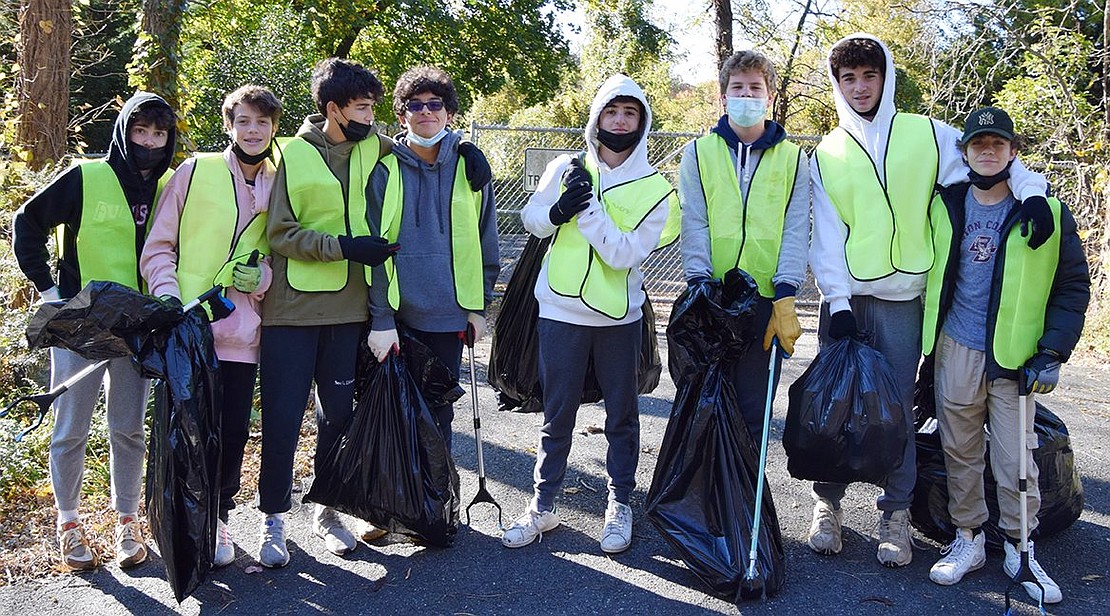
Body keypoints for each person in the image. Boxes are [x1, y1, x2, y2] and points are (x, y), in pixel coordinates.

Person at [807, 33, 1052, 567]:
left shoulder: (928, 134)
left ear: (885, 77)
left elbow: (992, 167)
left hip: (905, 300)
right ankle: (828, 505)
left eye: (869, 75)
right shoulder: (826, 153)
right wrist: (838, 300)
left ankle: (894, 513)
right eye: (849, 78)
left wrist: (1034, 196)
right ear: (837, 84)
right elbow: (825, 233)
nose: (860, 87)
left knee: (895, 408)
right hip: (847, 301)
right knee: (834, 405)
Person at [503, 74, 680, 554]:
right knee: (555, 416)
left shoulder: (656, 189)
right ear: (597, 116)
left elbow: (624, 254)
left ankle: (619, 504)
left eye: (630, 114)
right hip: (559, 312)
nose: (619, 121)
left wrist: (587, 210)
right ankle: (542, 507)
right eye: (611, 112)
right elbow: (533, 221)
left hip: (618, 321)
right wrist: (558, 209)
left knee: (622, 416)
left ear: (641, 124)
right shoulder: (565, 165)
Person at [922, 107, 1089, 603]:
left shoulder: (1046, 211)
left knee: (1017, 457)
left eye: (998, 143)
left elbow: (1071, 287)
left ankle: (1021, 546)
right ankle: (968, 539)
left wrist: (1053, 350)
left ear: (1013, 152)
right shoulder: (944, 205)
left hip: (1015, 356)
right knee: (959, 449)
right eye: (978, 144)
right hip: (956, 346)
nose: (988, 151)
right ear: (966, 153)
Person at [13, 92, 177, 570]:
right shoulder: (86, 176)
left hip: (138, 322)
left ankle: (127, 522)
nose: (148, 142)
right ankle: (68, 524)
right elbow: (27, 222)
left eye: (159, 134)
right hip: (80, 320)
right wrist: (48, 290)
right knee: (70, 427)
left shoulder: (171, 185)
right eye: (140, 131)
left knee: (128, 428)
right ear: (124, 130)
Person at [257, 58, 397, 568]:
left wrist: (466, 152)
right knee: (283, 419)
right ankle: (273, 520)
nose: (371, 116)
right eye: (363, 107)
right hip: (291, 312)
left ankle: (327, 511)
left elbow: (425, 149)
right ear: (333, 109)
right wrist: (342, 246)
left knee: (338, 418)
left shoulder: (374, 145)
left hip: (347, 312)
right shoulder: (290, 153)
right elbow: (280, 234)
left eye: (374, 108)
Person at [140, 85, 282, 568]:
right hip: (189, 331)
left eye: (262, 122)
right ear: (228, 125)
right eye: (243, 120)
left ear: (273, 128)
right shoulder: (193, 171)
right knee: (187, 431)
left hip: (243, 335)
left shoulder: (279, 181)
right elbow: (159, 248)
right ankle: (182, 525)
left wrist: (260, 278)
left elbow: (280, 259)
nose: (253, 130)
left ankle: (219, 520)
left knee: (232, 433)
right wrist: (170, 301)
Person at [365, 65, 499, 452]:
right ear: (402, 113)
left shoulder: (471, 167)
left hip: (450, 315)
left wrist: (479, 308)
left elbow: (485, 239)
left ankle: (436, 503)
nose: (425, 111)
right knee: (395, 413)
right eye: (415, 105)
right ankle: (398, 505)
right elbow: (374, 248)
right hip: (398, 316)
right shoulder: (384, 169)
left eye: (434, 104)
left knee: (439, 416)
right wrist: (381, 317)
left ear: (449, 112)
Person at [677, 49, 809, 440]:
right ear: (723, 97)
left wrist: (786, 294)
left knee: (753, 409)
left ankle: (745, 492)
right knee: (706, 403)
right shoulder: (699, 153)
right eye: (738, 88)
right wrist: (699, 282)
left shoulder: (793, 158)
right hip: (713, 297)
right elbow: (694, 221)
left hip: (767, 299)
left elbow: (795, 228)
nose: (747, 96)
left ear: (769, 97)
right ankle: (707, 496)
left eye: (756, 88)